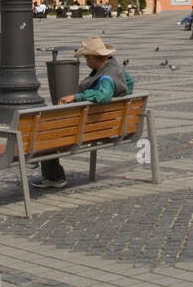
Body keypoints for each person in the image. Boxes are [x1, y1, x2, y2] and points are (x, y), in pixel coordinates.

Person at [33, 37, 133, 190]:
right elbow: (129, 82)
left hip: (91, 129)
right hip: (108, 124)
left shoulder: (106, 76)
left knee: (44, 130)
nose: (85, 61)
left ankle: (54, 176)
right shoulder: (116, 67)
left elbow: (103, 96)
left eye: (86, 57)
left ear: (92, 57)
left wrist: (76, 97)